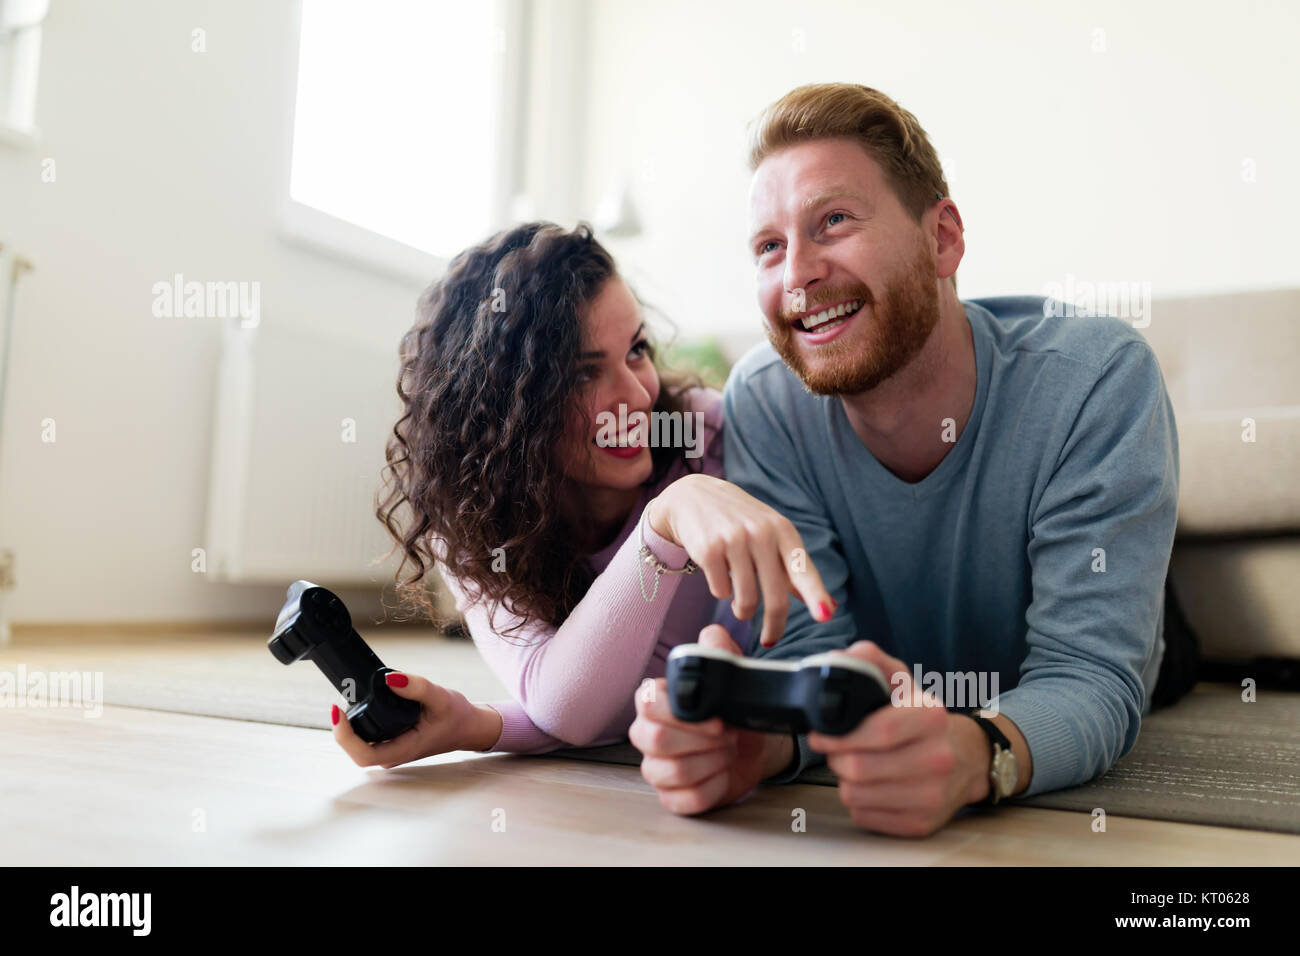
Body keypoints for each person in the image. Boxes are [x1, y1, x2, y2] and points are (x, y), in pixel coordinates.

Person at [630, 83, 1197, 837]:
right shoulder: (765, 400)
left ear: (943, 239)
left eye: (832, 221)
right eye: (770, 246)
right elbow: (811, 650)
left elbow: (1088, 675)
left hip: (1085, 631)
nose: (797, 275)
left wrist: (976, 755)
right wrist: (763, 746)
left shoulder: (1094, 379)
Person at [329, 221, 835, 774]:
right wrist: (481, 726)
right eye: (582, 375)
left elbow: (606, 702)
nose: (638, 395)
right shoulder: (471, 520)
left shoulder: (705, 438)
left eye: (636, 350)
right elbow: (581, 706)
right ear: (508, 409)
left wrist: (491, 725)